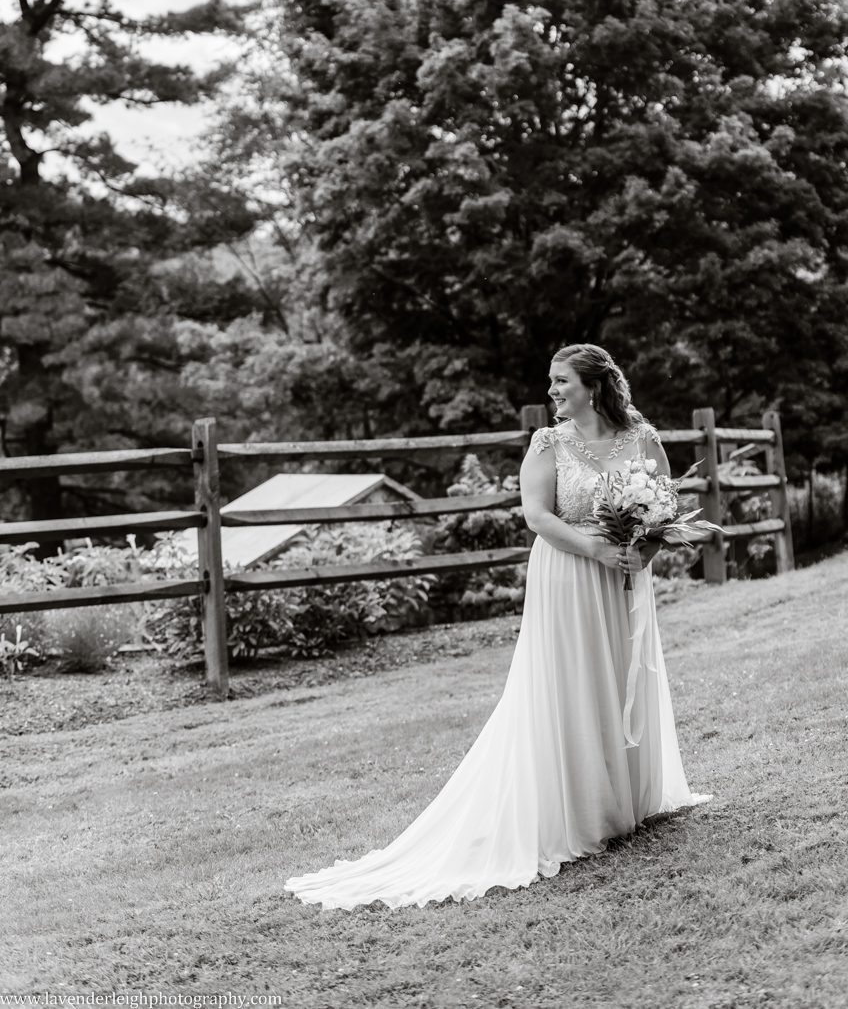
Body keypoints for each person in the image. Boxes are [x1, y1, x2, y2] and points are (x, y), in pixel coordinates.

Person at [284, 342, 711, 910]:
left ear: (595, 386)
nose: (553, 390)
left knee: (618, 673)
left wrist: (645, 554)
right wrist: (595, 550)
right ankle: (584, 810)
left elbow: (663, 507)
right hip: (568, 573)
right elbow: (537, 516)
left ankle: (629, 799)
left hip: (625, 578)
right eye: (551, 380)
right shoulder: (548, 443)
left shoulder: (643, 439)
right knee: (572, 683)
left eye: (562, 381)